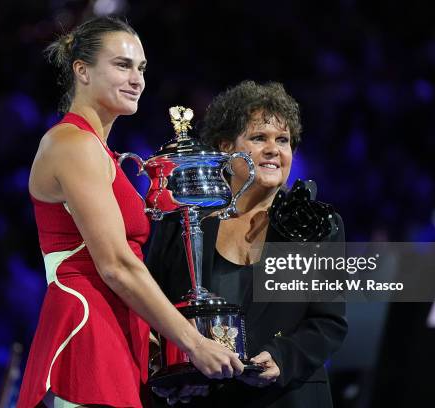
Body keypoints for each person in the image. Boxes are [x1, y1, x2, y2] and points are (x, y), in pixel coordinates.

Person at [17, 17, 243, 408]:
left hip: (115, 329)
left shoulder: (97, 150)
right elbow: (116, 265)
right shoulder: (71, 144)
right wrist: (192, 342)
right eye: (122, 65)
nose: (137, 78)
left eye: (141, 68)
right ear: (82, 71)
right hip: (86, 332)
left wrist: (157, 337)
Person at [147, 81, 347, 407]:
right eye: (258, 138)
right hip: (202, 399)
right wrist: (173, 375)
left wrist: (282, 357)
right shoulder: (183, 218)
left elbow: (329, 322)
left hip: (285, 397)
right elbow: (151, 307)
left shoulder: (319, 226)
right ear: (226, 147)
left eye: (283, 140)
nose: (274, 149)